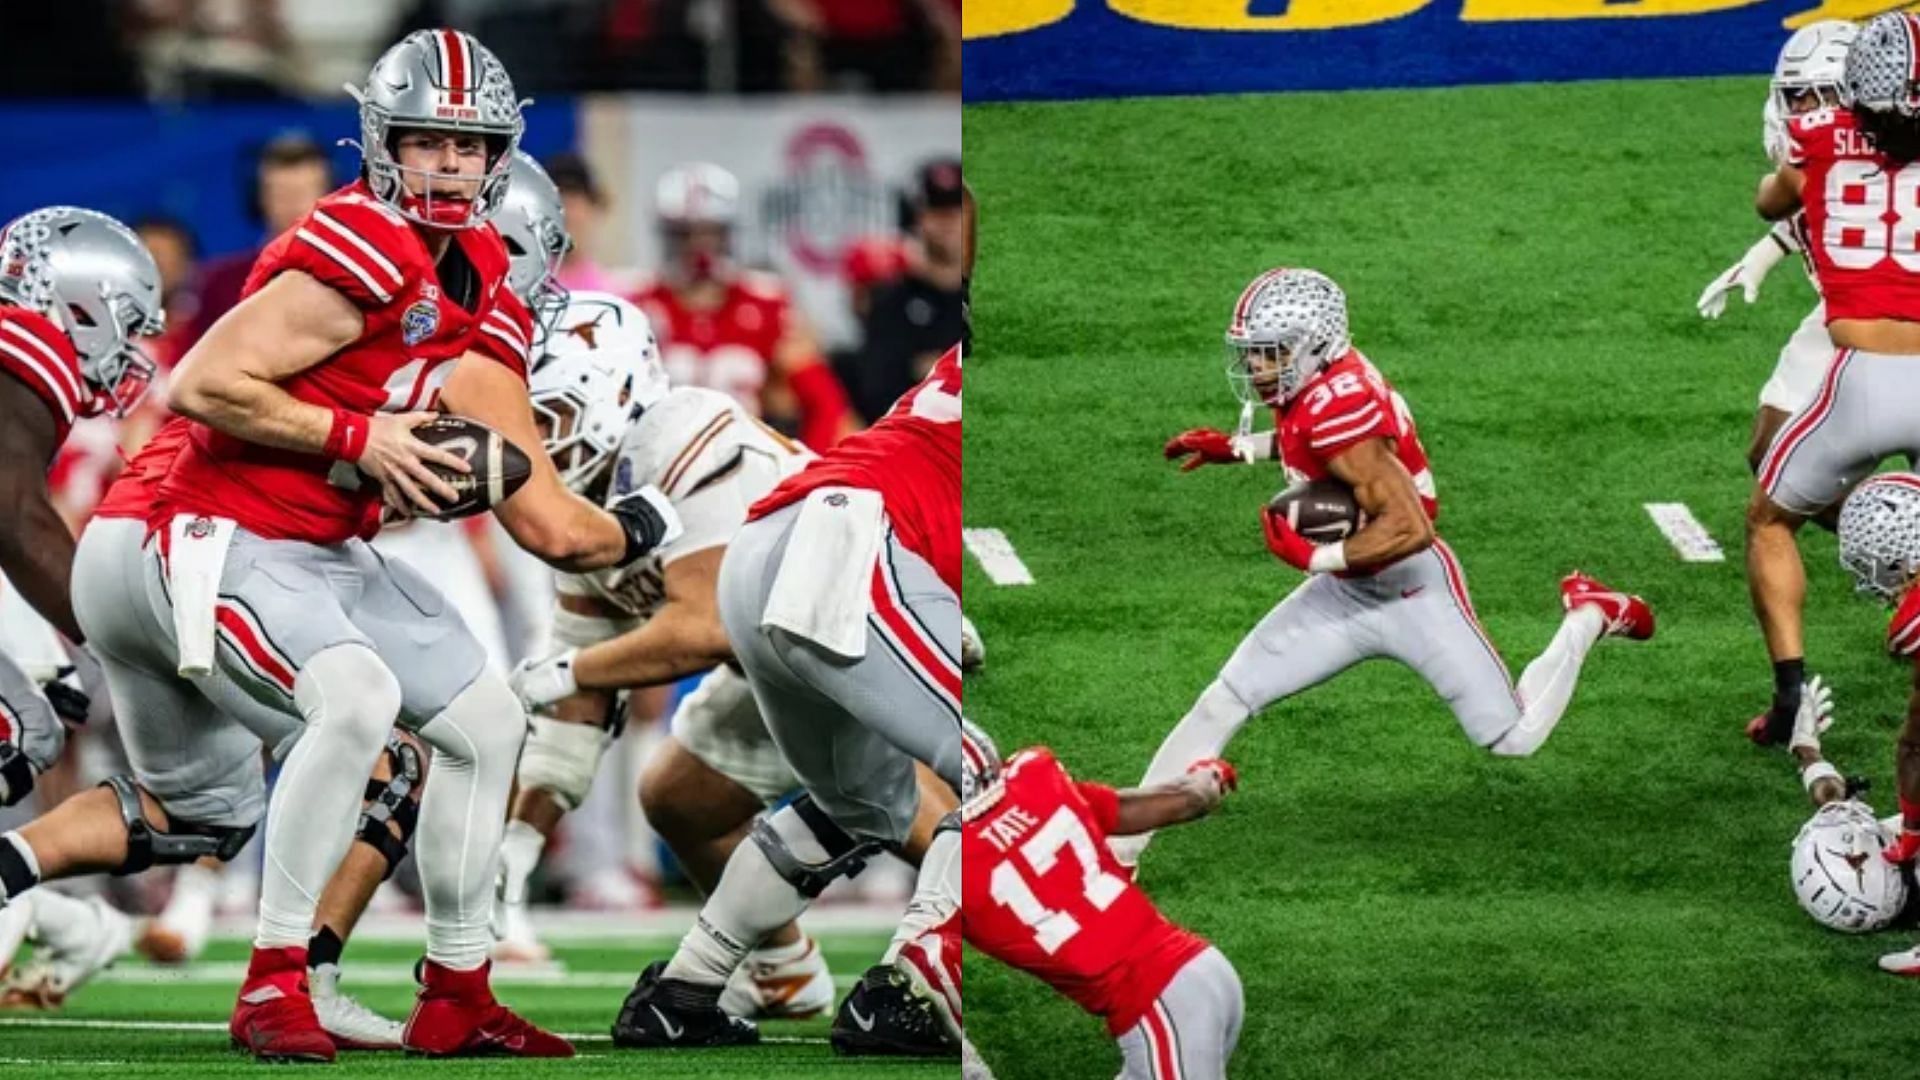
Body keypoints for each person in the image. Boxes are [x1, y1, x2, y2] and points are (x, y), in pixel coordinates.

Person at [0, 29, 680, 1063]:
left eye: (469, 148)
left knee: (484, 719)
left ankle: (457, 987)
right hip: (203, 523)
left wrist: (641, 521)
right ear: (380, 140)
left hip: (296, 542)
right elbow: (205, 384)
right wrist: (366, 438)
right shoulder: (370, 238)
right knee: (356, 697)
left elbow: (536, 506)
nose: (448, 167)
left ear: (504, 161)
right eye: (427, 143)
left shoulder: (480, 272)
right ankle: (277, 980)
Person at [1116, 268, 1654, 868]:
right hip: (1345, 594)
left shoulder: (1335, 407)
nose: (1258, 369)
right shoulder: (1322, 386)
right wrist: (1239, 448)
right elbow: (1315, 442)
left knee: (1513, 737)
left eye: (1269, 354)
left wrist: (1312, 556)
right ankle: (1121, 854)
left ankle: (1588, 614)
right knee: (1225, 700)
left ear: (1309, 345)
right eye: (1255, 355)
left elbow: (1409, 527)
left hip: (1410, 591)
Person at [495, 288, 851, 1018]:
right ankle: (783, 964)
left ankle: (945, 951)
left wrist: (547, 676)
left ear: (613, 393)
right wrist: (515, 852)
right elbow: (576, 704)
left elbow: (704, 627)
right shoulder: (578, 503)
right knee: (679, 798)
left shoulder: (681, 432)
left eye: (544, 418)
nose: (530, 439)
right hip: (779, 662)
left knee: (919, 810)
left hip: (863, 639)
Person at [610, 342, 961, 1052]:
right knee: (990, 773)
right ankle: (912, 979)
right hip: (851, 540)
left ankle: (684, 991)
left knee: (854, 804)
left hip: (766, 542)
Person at [1746, 13, 1920, 748]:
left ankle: (1791, 695)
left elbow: (1770, 201)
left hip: (1858, 381)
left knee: (1768, 520)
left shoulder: (1814, 136)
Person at [961, 722, 1245, 1079]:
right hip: (1204, 967)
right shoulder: (1037, 778)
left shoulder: (952, 868)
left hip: (1159, 1008)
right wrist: (1210, 775)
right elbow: (1188, 799)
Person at [632, 162, 855, 450]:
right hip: (655, 465)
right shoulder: (639, 306)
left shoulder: (767, 303)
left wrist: (809, 470)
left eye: (710, 234)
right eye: (685, 235)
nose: (699, 249)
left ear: (728, 236)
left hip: (747, 468)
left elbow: (824, 403)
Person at [849, 159, 967, 424]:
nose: (948, 221)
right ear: (916, 218)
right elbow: (878, 395)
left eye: (957, 210)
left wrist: (929, 370)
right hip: (916, 441)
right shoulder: (891, 302)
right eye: (936, 210)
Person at [190, 135, 334, 344]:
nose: (293, 206)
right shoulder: (220, 284)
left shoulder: (354, 278)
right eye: (281, 194)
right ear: (258, 199)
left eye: (303, 193)